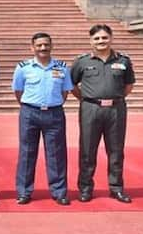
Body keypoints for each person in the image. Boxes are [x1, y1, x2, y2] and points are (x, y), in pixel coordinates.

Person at [71, 24, 135, 203]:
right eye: (97, 38)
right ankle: (85, 188)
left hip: (116, 109)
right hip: (91, 109)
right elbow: (72, 85)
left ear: (111, 38)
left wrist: (115, 98)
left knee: (116, 151)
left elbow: (128, 85)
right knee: (87, 150)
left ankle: (116, 188)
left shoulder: (123, 61)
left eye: (104, 38)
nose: (101, 41)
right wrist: (87, 99)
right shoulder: (82, 61)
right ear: (91, 41)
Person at [12, 33, 73, 206]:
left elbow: (65, 91)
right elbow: (18, 91)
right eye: (39, 45)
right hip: (29, 112)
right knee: (27, 153)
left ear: (51, 46)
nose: (43, 48)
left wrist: (53, 104)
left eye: (46, 44)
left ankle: (59, 192)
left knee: (56, 154)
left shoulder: (61, 67)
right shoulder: (23, 67)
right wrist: (31, 105)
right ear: (32, 48)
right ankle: (24, 191)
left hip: (54, 113)